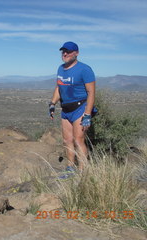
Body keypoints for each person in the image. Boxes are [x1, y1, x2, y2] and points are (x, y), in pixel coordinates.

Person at [49, 41, 96, 179]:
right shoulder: (60, 69)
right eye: (63, 51)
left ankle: (82, 172)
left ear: (76, 53)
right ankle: (70, 168)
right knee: (67, 140)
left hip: (80, 108)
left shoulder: (85, 69)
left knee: (78, 140)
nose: (65, 54)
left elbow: (91, 93)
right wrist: (52, 103)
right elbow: (59, 87)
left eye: (68, 51)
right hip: (66, 109)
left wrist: (87, 114)